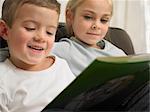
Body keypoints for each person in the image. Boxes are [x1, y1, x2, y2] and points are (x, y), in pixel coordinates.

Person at [0, 0, 75, 112]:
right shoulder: (3, 79)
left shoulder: (61, 66)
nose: (41, 38)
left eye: (49, 32)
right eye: (30, 28)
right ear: (5, 30)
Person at [51, 0, 126, 76]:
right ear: (70, 16)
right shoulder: (59, 50)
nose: (97, 26)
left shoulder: (119, 54)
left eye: (104, 20)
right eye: (88, 17)